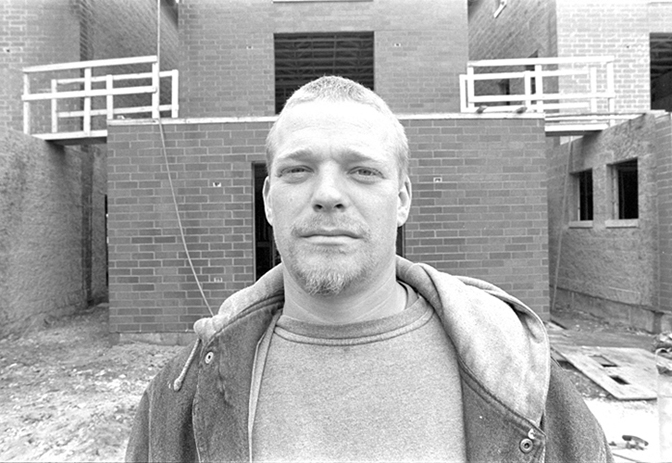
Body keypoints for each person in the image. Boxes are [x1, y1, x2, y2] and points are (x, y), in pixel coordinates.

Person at [126, 76, 613, 462]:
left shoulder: (523, 384)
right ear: (268, 200)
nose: (328, 195)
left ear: (401, 200)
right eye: (298, 170)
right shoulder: (181, 398)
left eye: (363, 171)